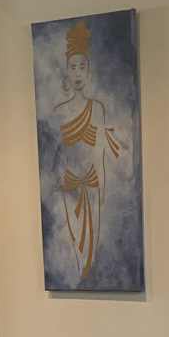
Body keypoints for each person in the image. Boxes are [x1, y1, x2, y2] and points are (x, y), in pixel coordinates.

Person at [52, 20, 130, 283]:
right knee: (72, 251)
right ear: (67, 71)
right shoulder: (58, 112)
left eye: (82, 67)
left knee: (90, 257)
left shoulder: (97, 109)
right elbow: (57, 158)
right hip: (68, 189)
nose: (77, 73)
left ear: (89, 71)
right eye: (72, 67)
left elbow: (99, 156)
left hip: (92, 187)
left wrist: (103, 193)